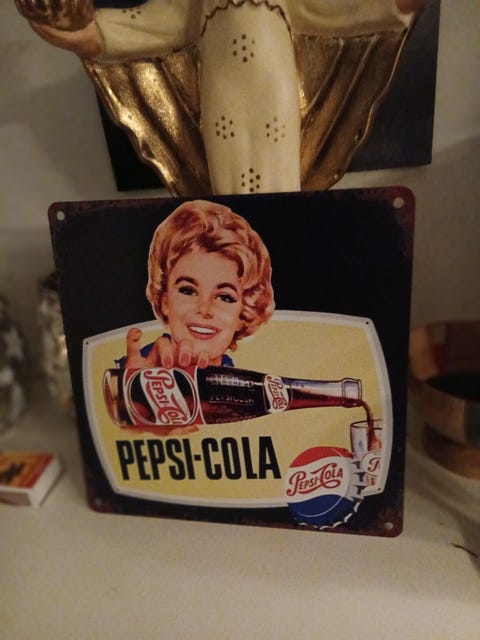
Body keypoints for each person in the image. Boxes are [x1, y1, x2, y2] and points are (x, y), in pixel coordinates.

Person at [16, 0, 426, 195]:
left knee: (278, 167)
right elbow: (156, 24)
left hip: (274, 82)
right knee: (226, 168)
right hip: (220, 89)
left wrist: (392, 6)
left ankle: (283, 250)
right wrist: (94, 36)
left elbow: (337, 10)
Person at [123, 199, 275, 369]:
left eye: (225, 297)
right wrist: (132, 382)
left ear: (243, 314)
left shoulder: (246, 381)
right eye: (188, 291)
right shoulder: (133, 368)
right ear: (165, 301)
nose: (204, 309)